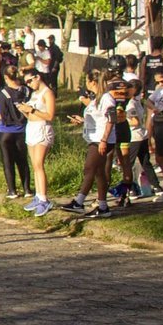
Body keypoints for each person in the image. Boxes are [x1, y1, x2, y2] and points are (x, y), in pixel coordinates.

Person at [61, 73, 122, 217]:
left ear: (93, 82)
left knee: (89, 168)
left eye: (87, 81)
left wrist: (104, 140)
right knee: (99, 172)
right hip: (94, 138)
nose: (86, 85)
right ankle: (103, 207)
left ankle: (79, 202)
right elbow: (99, 118)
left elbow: (111, 119)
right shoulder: (96, 99)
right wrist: (82, 120)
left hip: (101, 140)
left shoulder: (106, 98)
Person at [0, 64, 32, 202]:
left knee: (8, 161)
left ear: (6, 77)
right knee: (23, 160)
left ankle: (12, 190)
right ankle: (27, 189)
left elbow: (0, 115)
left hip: (5, 131)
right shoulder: (26, 91)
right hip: (22, 130)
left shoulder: (3, 93)